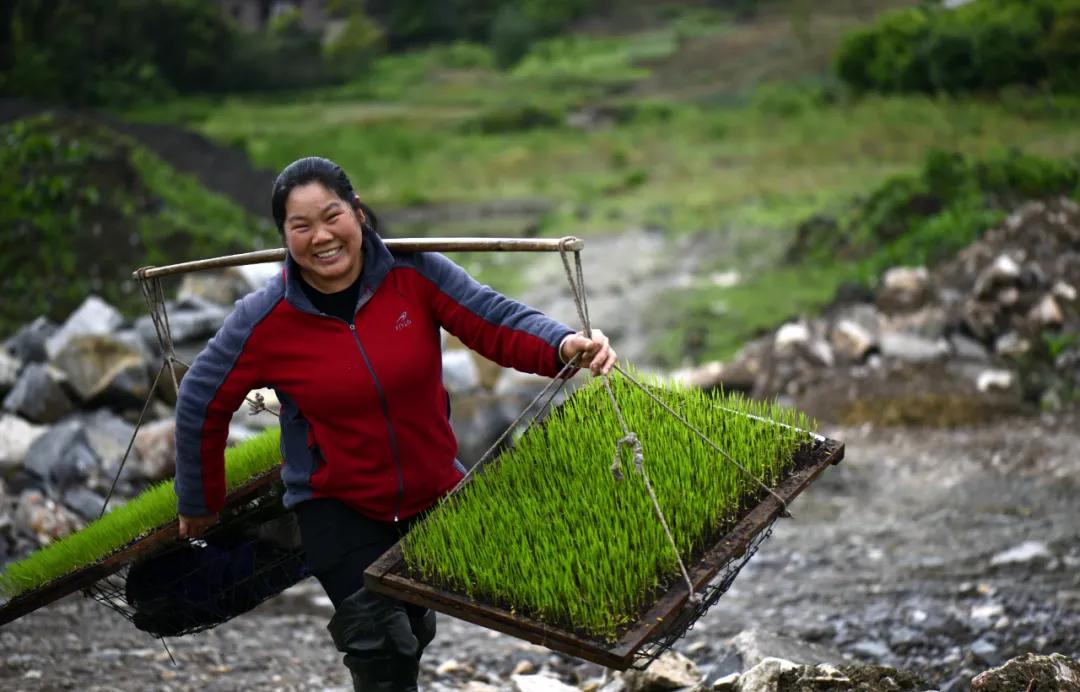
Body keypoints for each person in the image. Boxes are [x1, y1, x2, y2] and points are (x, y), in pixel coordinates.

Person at [173, 156, 615, 691]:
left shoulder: (415, 273)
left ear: (358, 214)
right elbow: (201, 396)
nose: (321, 236)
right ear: (285, 237)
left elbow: (493, 317)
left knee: (408, 631)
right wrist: (200, 501)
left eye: (331, 215)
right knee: (380, 648)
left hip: (432, 493)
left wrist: (562, 344)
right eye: (301, 226)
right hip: (337, 505)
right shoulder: (265, 318)